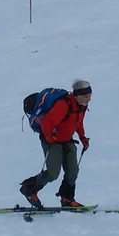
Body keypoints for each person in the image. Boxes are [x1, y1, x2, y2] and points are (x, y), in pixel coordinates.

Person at [20, 80, 93, 209]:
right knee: (53, 173)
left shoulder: (81, 106)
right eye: (86, 96)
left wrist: (82, 138)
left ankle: (67, 199)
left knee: (73, 171)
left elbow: (78, 122)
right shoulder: (63, 104)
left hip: (67, 140)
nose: (89, 99)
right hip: (52, 141)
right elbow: (46, 123)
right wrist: (50, 138)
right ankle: (29, 189)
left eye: (90, 96)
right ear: (78, 95)